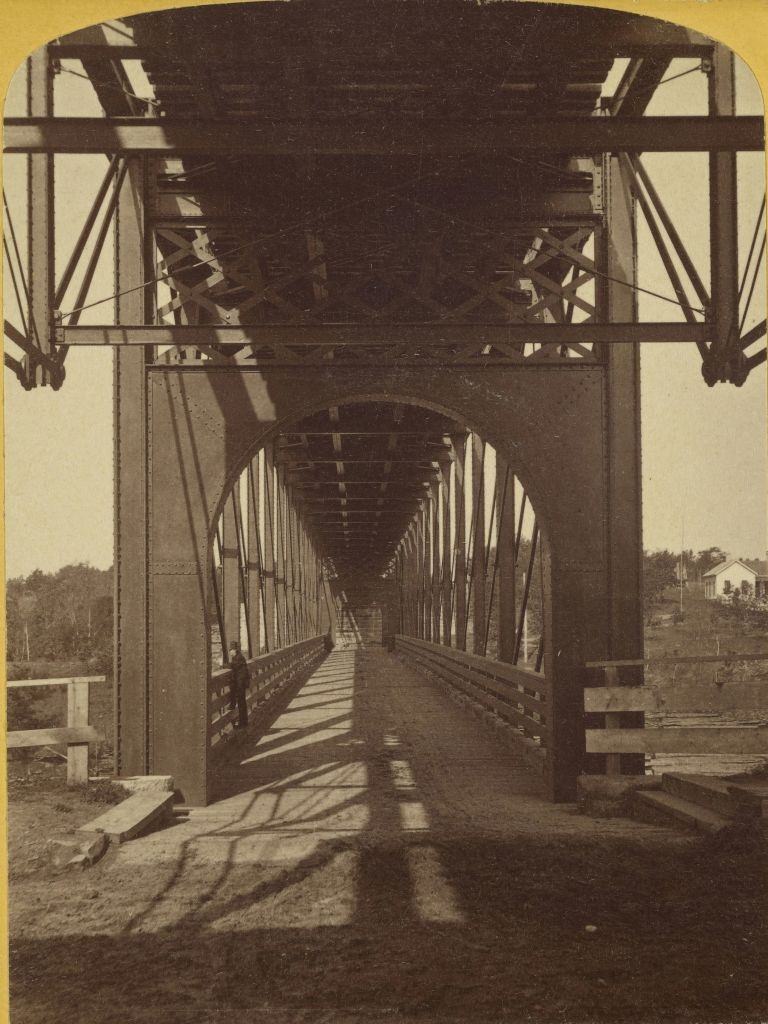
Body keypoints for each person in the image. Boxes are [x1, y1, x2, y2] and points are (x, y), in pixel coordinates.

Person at [228, 641, 250, 729]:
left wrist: (223, 665)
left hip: (240, 685)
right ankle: (243, 722)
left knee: (241, 703)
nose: (230, 652)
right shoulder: (239, 657)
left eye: (231, 650)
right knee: (242, 703)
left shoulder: (238, 658)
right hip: (241, 684)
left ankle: (242, 723)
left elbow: (233, 666)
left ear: (235, 650)